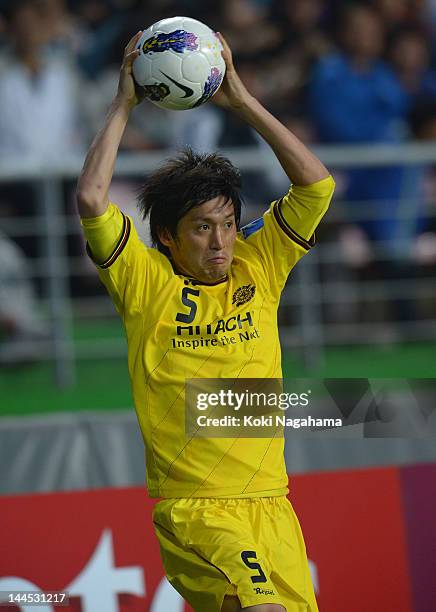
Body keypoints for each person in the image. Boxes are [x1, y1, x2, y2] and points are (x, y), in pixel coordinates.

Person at [76, 29, 334, 612]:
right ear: (166, 235)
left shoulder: (257, 265)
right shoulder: (144, 285)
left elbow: (316, 185)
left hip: (273, 503)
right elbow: (93, 199)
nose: (220, 242)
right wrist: (122, 104)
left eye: (226, 224)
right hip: (197, 509)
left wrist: (241, 100)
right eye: (201, 227)